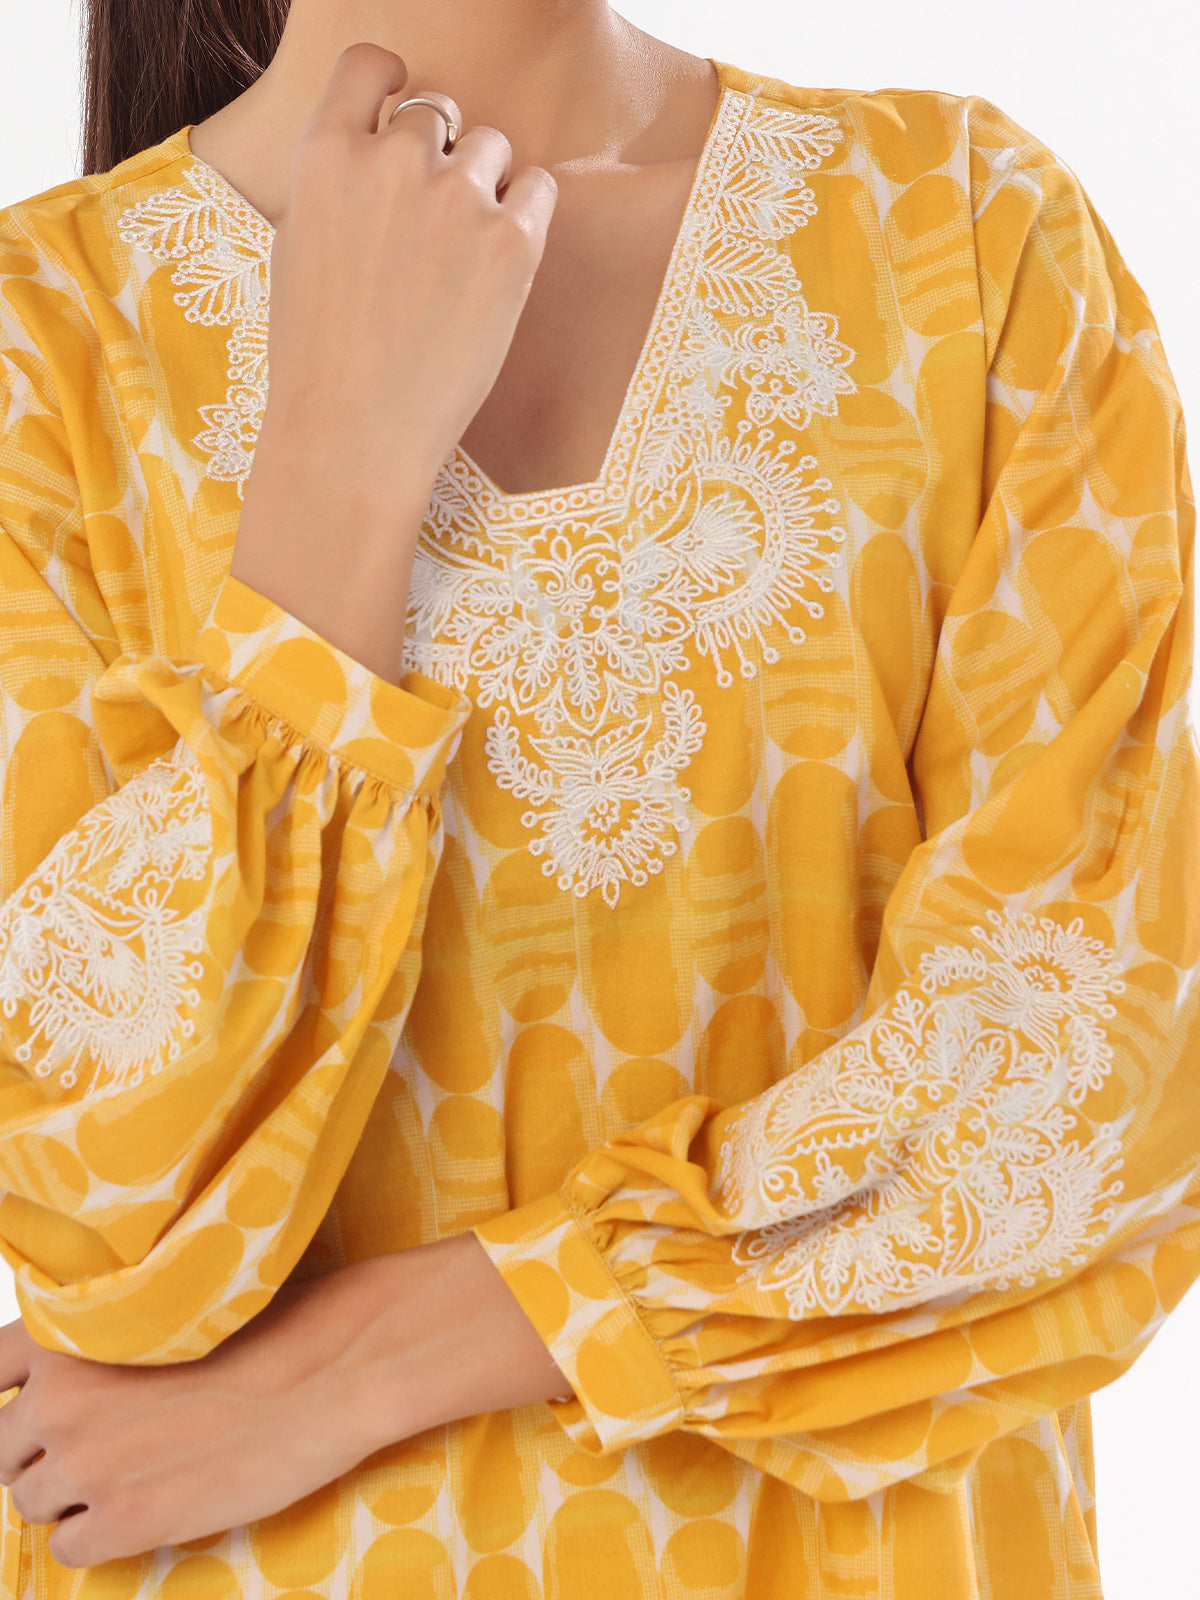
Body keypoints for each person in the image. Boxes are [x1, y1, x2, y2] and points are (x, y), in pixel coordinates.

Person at [0, 0, 1194, 1593]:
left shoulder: (966, 241)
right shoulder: (42, 351)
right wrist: (340, 466)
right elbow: (103, 1219)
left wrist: (390, 1355)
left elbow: (1108, 1063)